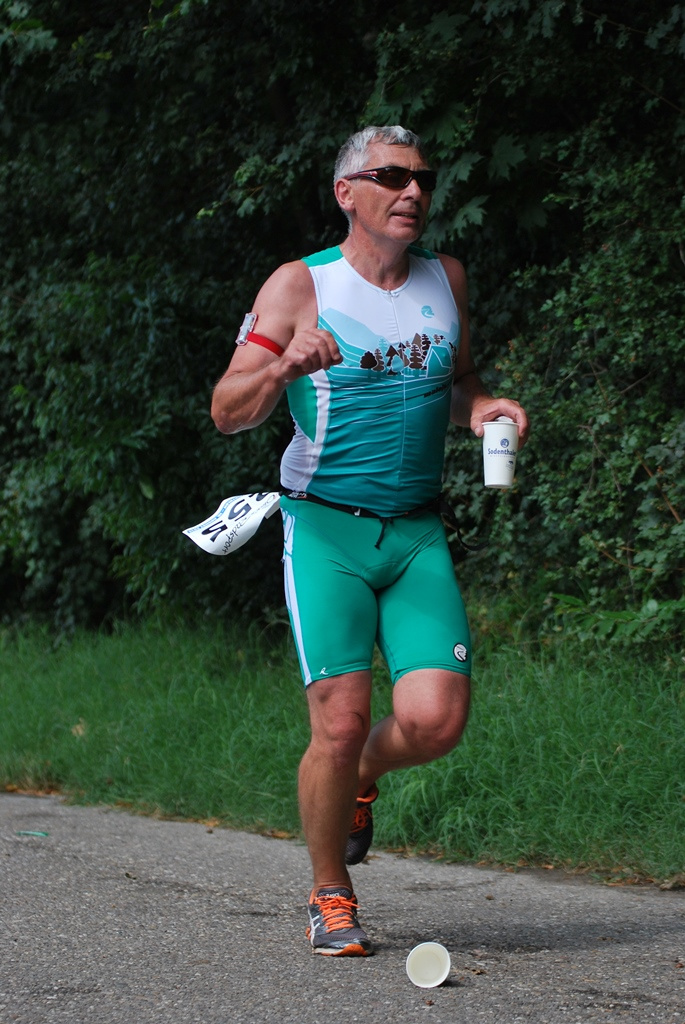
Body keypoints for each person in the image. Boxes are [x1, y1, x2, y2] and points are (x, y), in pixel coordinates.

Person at [211, 125, 529, 957]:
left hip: (415, 532)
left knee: (435, 721)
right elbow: (226, 409)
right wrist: (281, 367)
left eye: (421, 178)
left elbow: (456, 382)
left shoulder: (445, 278)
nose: (412, 191)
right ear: (346, 192)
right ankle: (330, 893)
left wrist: (483, 408)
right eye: (391, 176)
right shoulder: (300, 284)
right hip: (325, 530)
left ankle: (355, 781)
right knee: (342, 720)